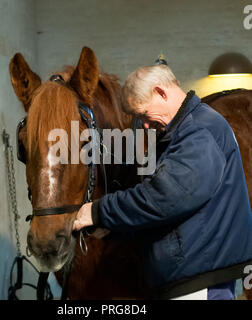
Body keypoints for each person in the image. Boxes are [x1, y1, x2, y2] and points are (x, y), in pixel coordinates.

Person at [72, 63, 252, 300]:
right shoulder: (182, 132)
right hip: (192, 274)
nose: (145, 125)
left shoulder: (199, 131)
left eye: (144, 115)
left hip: (197, 278)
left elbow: (164, 197)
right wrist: (116, 228)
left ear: (160, 92)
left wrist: (97, 211)